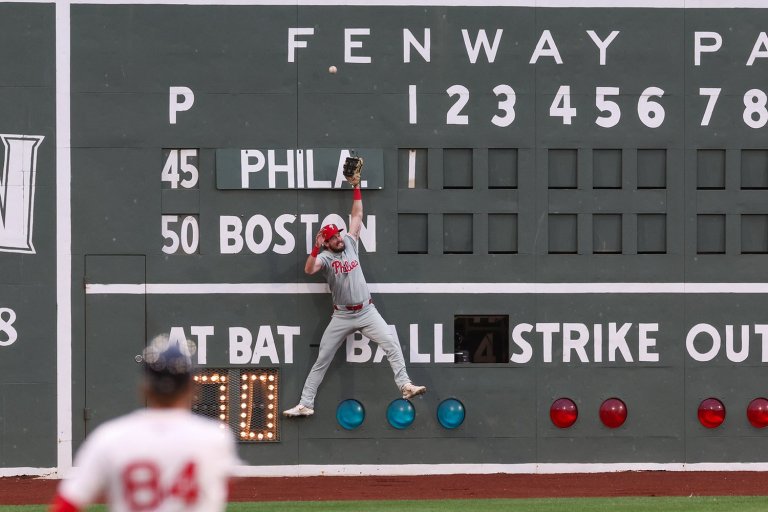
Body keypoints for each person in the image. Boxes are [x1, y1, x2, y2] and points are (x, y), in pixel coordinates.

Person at [283, 180, 426, 417]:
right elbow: (309, 269)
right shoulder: (326, 258)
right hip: (342, 315)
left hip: (367, 311)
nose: (339, 239)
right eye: (334, 239)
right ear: (326, 242)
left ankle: (405, 385)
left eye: (338, 236)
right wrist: (316, 248)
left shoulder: (350, 242)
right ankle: (306, 404)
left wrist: (356, 186)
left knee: (391, 342)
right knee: (322, 359)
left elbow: (357, 214)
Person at [50, 335, 240, 512]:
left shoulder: (110, 437)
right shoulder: (215, 438)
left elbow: (66, 505)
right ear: (191, 387)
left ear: (145, 387)